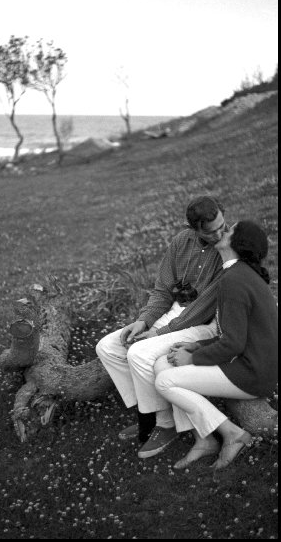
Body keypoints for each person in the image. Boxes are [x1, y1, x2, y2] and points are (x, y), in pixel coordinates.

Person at [96, 195, 229, 459]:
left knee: (139, 353)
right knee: (108, 347)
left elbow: (202, 308)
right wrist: (143, 320)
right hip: (174, 313)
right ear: (195, 229)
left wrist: (159, 333)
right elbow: (162, 290)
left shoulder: (227, 249)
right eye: (212, 231)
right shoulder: (182, 241)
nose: (220, 234)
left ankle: (165, 424)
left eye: (222, 226)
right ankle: (149, 413)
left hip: (204, 323)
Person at [155, 220, 278, 470]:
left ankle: (232, 433)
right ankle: (204, 439)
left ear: (238, 243)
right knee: (161, 364)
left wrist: (192, 359)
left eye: (230, 230)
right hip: (248, 363)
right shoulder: (237, 274)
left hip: (252, 373)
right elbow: (232, 335)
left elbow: (232, 343)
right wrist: (195, 346)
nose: (223, 231)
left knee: (164, 382)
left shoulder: (234, 279)